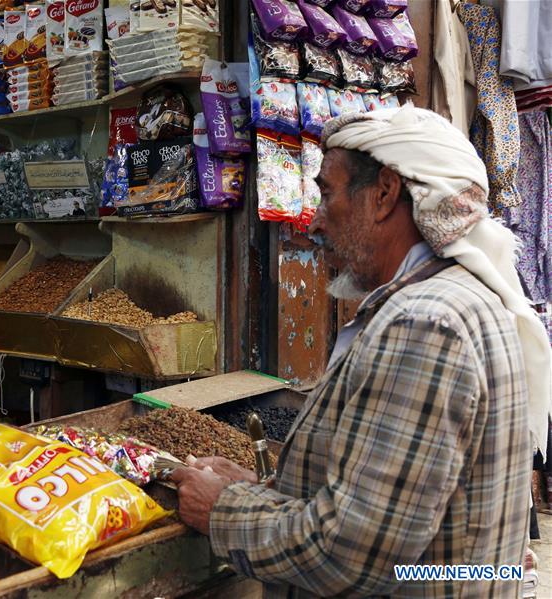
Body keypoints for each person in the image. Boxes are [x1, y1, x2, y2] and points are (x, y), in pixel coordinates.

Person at [172, 106, 552, 597]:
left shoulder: (425, 323)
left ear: (384, 193)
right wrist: (258, 491)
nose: (315, 221)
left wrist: (224, 510)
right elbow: (394, 505)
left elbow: (353, 551)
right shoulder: (457, 298)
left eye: (327, 195)